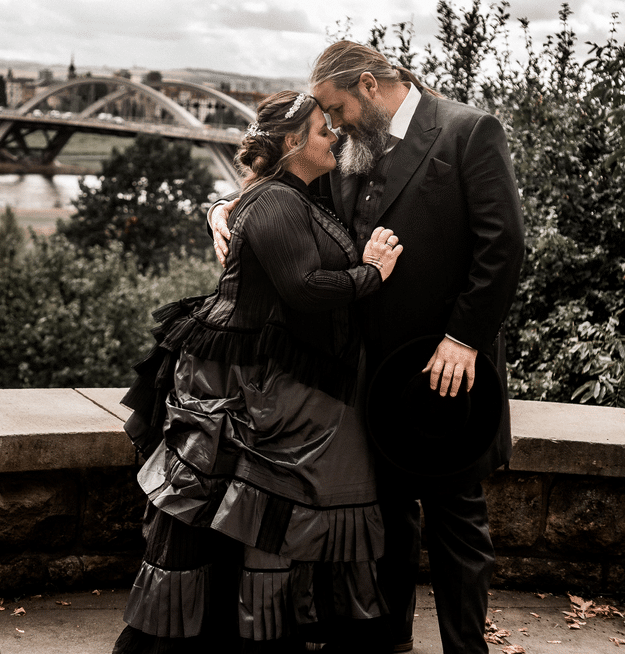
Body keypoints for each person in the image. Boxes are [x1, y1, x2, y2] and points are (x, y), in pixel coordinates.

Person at [209, 42, 525, 654]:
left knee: (456, 520)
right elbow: (289, 197)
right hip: (370, 377)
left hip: (448, 370)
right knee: (388, 517)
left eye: (336, 109)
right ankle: (389, 643)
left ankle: (466, 650)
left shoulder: (467, 131)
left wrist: (463, 339)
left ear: (368, 85)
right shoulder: (352, 149)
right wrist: (225, 208)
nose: (332, 124)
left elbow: (503, 244)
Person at [114, 90, 404, 653]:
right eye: (322, 130)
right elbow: (303, 288)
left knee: (256, 510)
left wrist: (219, 207)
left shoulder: (295, 193)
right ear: (293, 142)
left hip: (277, 375)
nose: (334, 136)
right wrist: (372, 272)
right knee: (240, 506)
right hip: (247, 380)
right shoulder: (277, 200)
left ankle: (251, 630)